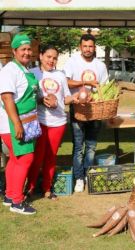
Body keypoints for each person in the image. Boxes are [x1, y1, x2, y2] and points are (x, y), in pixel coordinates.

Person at [26, 45, 79, 200]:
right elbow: (28, 98)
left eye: (54, 58)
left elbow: (65, 98)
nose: (51, 60)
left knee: (51, 157)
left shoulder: (61, 75)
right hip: (39, 122)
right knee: (36, 157)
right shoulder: (32, 74)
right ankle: (30, 187)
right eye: (48, 56)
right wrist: (42, 100)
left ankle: (47, 189)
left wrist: (74, 99)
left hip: (58, 122)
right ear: (41, 56)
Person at [64, 34, 108, 192]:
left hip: (94, 110)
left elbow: (103, 87)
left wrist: (96, 95)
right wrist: (86, 83)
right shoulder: (72, 62)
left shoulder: (101, 65)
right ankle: (79, 178)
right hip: (77, 109)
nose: (88, 49)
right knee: (78, 147)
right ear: (80, 47)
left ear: (94, 47)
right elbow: (66, 81)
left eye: (91, 46)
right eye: (85, 46)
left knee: (91, 146)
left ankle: (88, 175)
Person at [0, 34, 39, 214]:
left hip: (26, 121)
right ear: (14, 51)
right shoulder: (10, 70)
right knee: (25, 158)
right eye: (23, 49)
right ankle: (17, 201)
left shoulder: (24, 69)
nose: (27, 52)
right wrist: (17, 125)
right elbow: (7, 97)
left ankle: (9, 195)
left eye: (29, 49)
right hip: (13, 123)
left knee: (16, 159)